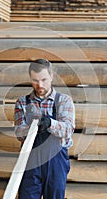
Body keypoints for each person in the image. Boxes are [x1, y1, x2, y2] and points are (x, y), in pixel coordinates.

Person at [14, 59, 75, 199]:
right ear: (30, 78)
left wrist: (50, 124)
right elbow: (18, 132)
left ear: (51, 76)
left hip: (55, 161)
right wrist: (33, 128)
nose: (40, 85)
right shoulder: (22, 102)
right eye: (35, 80)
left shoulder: (63, 101)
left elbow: (68, 129)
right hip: (30, 160)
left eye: (44, 79)